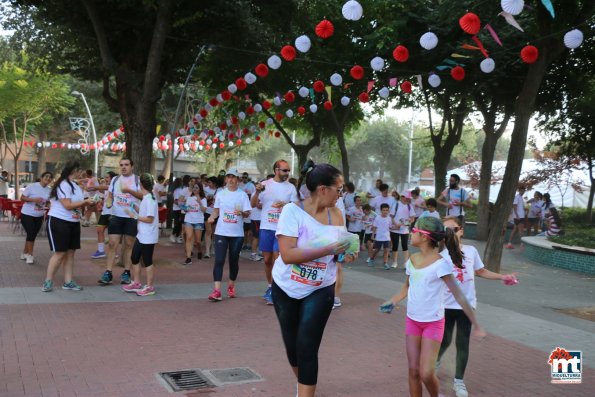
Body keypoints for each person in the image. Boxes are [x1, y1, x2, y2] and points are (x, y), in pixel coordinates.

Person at [271, 162, 356, 397]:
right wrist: (329, 249)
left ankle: (305, 392)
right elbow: (287, 255)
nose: (341, 195)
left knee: (307, 346)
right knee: (293, 349)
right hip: (286, 287)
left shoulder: (338, 214)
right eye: (338, 189)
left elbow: (338, 254)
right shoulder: (292, 211)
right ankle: (303, 385)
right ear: (322, 189)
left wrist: (346, 253)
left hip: (321, 288)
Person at [379, 216, 486, 397]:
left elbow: (459, 295)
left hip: (433, 324)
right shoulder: (412, 260)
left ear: (424, 236)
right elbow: (407, 286)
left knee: (426, 373)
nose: (411, 234)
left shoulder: (441, 264)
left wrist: (475, 324)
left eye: (414, 231)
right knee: (413, 371)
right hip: (412, 321)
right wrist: (393, 300)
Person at [437, 216, 518, 397]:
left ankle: (458, 381)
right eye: (447, 230)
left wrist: (502, 277)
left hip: (467, 306)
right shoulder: (439, 256)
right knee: (444, 340)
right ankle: (432, 367)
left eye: (455, 229)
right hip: (444, 306)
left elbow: (480, 271)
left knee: (462, 342)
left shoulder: (471, 251)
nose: (452, 233)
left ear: (462, 230)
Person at [251, 159, 298, 305]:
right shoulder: (265, 185)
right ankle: (270, 287)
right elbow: (252, 204)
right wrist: (257, 192)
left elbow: (296, 207)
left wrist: (285, 204)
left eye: (288, 170)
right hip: (266, 227)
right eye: (285, 170)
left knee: (278, 259)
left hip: (282, 229)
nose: (287, 173)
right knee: (267, 259)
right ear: (276, 170)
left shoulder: (290, 187)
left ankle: (279, 289)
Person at [43, 162, 94, 292]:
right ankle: (48, 281)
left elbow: (79, 203)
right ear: (74, 170)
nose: (81, 172)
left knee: (71, 253)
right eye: (79, 170)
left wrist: (91, 203)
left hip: (73, 222)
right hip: (59, 221)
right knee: (60, 253)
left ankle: (68, 281)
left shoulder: (75, 185)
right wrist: (85, 202)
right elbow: (67, 205)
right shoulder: (63, 184)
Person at [207, 168, 252, 301]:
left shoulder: (242, 195)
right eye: (229, 177)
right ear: (226, 179)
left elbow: (248, 213)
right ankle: (217, 291)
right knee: (219, 260)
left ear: (238, 180)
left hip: (237, 234)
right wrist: (211, 217)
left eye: (233, 177)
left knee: (233, 261)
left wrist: (242, 213)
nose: (231, 180)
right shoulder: (221, 194)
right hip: (221, 231)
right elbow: (216, 211)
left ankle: (231, 286)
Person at [98, 158, 143, 285]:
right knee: (112, 244)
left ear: (132, 166)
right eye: (121, 165)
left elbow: (142, 196)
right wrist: (108, 201)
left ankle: (126, 272)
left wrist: (129, 191)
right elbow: (111, 194)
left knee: (129, 245)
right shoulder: (115, 179)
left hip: (131, 216)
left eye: (126, 165)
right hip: (116, 216)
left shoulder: (137, 180)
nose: (123, 167)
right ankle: (108, 272)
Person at [121, 173, 159, 296]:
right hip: (141, 234)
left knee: (147, 261)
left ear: (141, 185)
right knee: (134, 257)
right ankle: (136, 283)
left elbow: (150, 219)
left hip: (148, 236)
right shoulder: (146, 198)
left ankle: (149, 287)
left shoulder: (150, 200)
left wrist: (135, 216)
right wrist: (133, 206)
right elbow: (143, 213)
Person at [20, 171, 53, 264]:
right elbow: (22, 198)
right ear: (41, 177)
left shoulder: (49, 190)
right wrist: (33, 199)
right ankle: (30, 255)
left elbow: (47, 201)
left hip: (39, 215)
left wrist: (49, 204)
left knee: (32, 235)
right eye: (46, 176)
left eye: (50, 177)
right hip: (27, 214)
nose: (48, 178)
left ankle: (24, 253)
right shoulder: (32, 186)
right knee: (31, 232)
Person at [89, 171, 116, 259]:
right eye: (105, 177)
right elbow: (104, 192)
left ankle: (114, 252)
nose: (105, 179)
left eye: (107, 177)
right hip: (105, 213)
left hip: (113, 214)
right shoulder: (106, 189)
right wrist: (101, 202)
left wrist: (93, 187)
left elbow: (103, 187)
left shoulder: (114, 186)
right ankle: (101, 251)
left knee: (113, 235)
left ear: (112, 179)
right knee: (99, 230)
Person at [390, 191, 416, 269]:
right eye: (406, 198)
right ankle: (394, 262)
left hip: (405, 230)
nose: (407, 200)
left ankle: (406, 263)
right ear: (402, 197)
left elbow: (413, 218)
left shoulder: (409, 206)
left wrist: (409, 222)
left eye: (408, 198)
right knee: (395, 245)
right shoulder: (396, 204)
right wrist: (396, 224)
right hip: (395, 229)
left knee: (405, 246)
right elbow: (391, 216)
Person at [183, 183, 207, 265]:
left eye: (197, 188)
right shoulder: (189, 198)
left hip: (199, 221)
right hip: (188, 219)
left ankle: (199, 250)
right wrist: (185, 208)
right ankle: (188, 258)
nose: (195, 189)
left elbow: (204, 210)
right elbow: (186, 209)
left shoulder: (203, 199)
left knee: (198, 241)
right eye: (194, 187)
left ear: (200, 189)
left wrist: (199, 202)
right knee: (189, 237)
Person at [367, 203, 392, 268]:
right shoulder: (378, 218)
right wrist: (373, 235)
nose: (385, 212)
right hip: (379, 237)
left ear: (388, 211)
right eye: (384, 210)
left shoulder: (389, 218)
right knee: (376, 250)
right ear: (381, 210)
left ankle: (385, 263)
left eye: (386, 210)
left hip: (386, 237)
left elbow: (390, 227)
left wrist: (398, 226)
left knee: (386, 250)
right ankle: (371, 259)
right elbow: (374, 227)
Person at [203, 176, 222, 258]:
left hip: (216, 213)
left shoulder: (220, 190)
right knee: (208, 232)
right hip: (207, 212)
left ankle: (213, 248)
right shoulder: (205, 189)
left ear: (214, 183)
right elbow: (202, 199)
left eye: (210, 182)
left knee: (214, 233)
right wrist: (206, 198)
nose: (208, 184)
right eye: (208, 182)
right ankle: (207, 251)